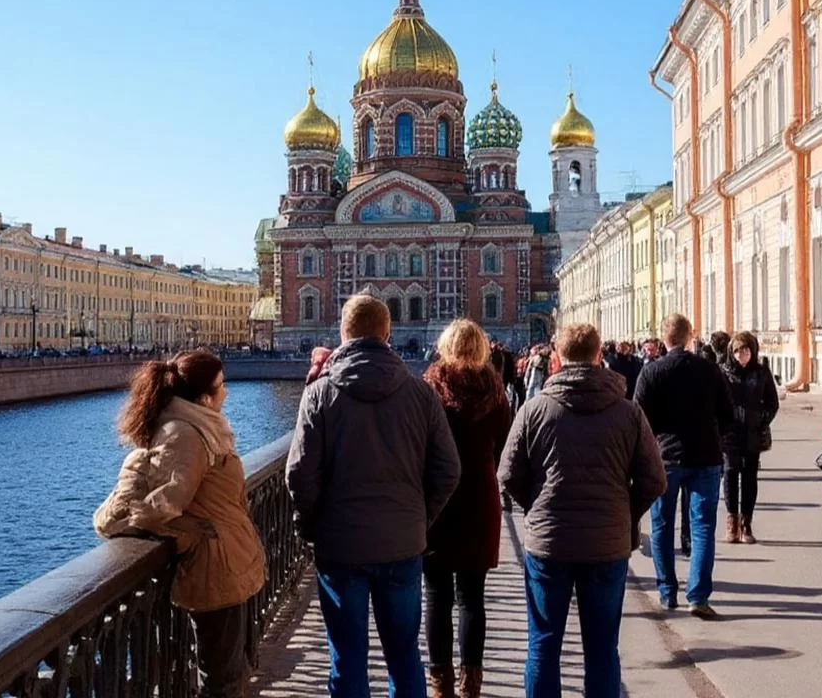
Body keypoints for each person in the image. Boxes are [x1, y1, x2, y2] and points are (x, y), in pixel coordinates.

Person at [285, 295, 461, 698]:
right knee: (403, 655)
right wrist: (419, 517)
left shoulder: (320, 395)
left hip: (340, 545)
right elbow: (448, 470)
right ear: (388, 333)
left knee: (347, 659)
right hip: (403, 544)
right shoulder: (420, 394)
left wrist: (313, 522)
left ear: (343, 334)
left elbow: (299, 473)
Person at [499, 323, 666, 698]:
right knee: (602, 646)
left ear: (556, 357)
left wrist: (537, 507)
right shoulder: (628, 412)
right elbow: (654, 480)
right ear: (598, 356)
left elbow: (507, 474)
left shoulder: (534, 409)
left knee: (543, 643)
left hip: (549, 544)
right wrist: (624, 514)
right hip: (606, 545)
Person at [94, 352, 266, 697]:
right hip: (214, 566)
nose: (226, 392)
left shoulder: (200, 426)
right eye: (222, 385)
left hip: (224, 561)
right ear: (204, 397)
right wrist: (193, 529)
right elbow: (162, 505)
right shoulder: (185, 434)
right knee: (222, 681)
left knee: (228, 672)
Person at [422, 320, 512, 698]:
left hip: (436, 501)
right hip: (479, 497)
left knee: (437, 595)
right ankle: (470, 684)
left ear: (445, 347)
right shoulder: (495, 391)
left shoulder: (429, 390)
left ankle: (439, 681)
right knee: (472, 597)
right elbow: (503, 444)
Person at [634, 314, 732, 619]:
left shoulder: (652, 372)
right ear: (690, 336)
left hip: (664, 459)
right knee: (703, 527)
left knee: (662, 525)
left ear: (663, 339)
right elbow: (728, 415)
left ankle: (667, 593)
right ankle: (698, 596)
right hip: (705, 456)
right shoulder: (709, 370)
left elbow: (637, 420)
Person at [720, 332, 779, 544]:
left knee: (749, 477)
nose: (740, 354)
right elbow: (717, 402)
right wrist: (723, 423)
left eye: (744, 350)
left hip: (753, 433)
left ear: (752, 351)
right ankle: (732, 523)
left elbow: (772, 402)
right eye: (736, 350)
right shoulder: (724, 372)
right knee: (730, 473)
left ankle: (746, 523)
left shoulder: (761, 372)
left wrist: (762, 420)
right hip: (730, 433)